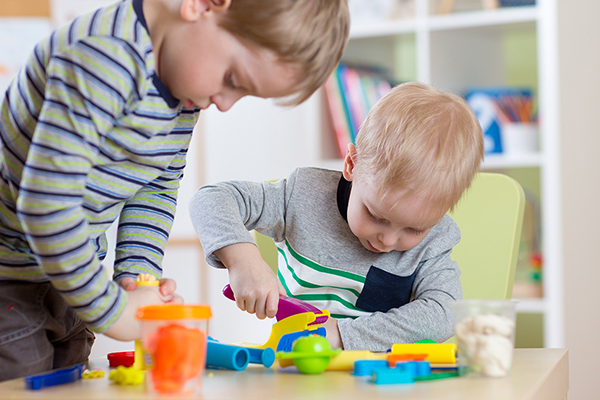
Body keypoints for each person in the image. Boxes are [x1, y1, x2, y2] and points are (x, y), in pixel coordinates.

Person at [0, 0, 350, 380]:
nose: (225, 103)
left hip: (69, 278)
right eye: (232, 79)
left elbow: (154, 185)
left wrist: (137, 276)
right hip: (10, 282)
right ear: (202, 6)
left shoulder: (182, 96)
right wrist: (112, 311)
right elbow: (46, 204)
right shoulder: (104, 56)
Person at [189, 82, 484, 351]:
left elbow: (445, 312)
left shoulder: (435, 239)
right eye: (377, 216)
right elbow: (211, 199)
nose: (389, 239)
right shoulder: (301, 195)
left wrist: (340, 334)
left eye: (414, 229)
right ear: (351, 164)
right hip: (302, 373)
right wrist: (243, 260)